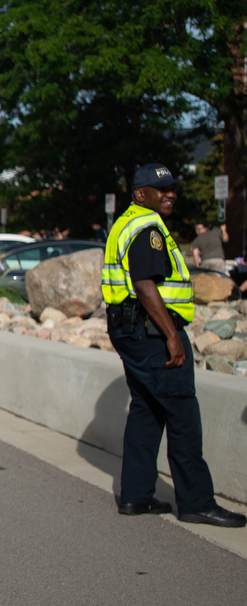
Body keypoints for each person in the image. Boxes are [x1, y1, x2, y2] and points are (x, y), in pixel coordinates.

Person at [101, 164, 245, 527]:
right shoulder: (147, 228)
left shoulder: (126, 222)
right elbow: (146, 285)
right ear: (140, 194)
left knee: (147, 410)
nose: (170, 194)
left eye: (172, 189)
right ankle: (197, 502)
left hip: (130, 329)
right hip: (151, 331)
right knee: (182, 415)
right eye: (159, 189)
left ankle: (136, 496)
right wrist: (170, 336)